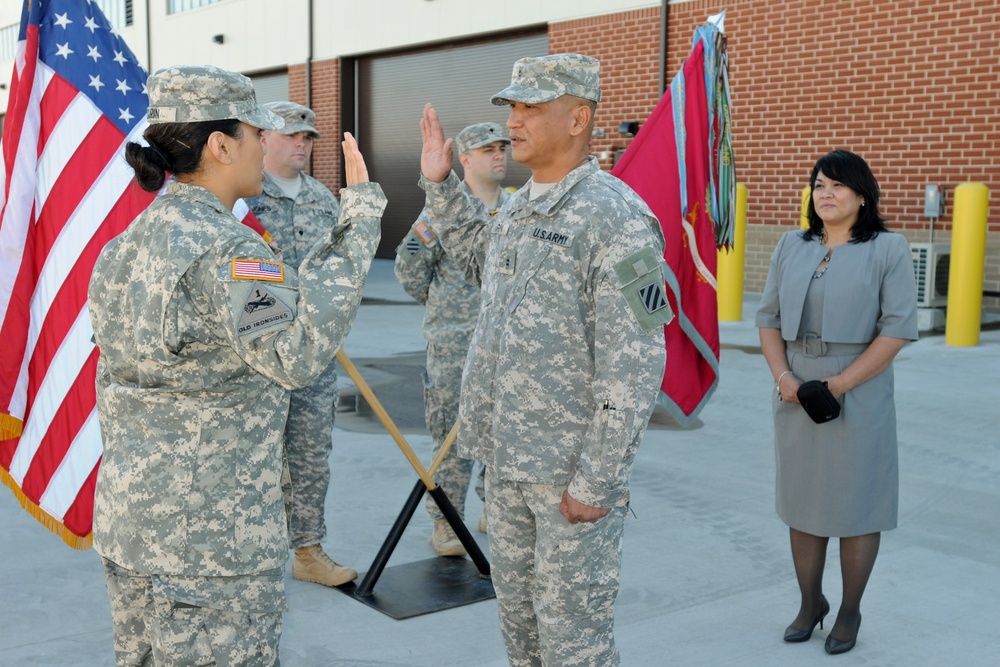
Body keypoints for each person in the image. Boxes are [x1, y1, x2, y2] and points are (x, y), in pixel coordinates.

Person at [88, 65, 384, 666]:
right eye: (255, 131)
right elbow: (295, 353)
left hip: (131, 524)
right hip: (211, 542)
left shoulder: (124, 245)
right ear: (222, 146)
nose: (263, 144)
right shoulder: (230, 248)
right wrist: (359, 226)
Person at [418, 54, 673, 666]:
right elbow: (481, 263)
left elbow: (637, 360)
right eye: (512, 106)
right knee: (521, 630)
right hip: (506, 463)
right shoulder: (518, 205)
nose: (515, 121)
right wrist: (441, 184)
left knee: (573, 640)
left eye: (533, 107)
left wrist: (598, 478)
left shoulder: (619, 218)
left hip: (566, 474)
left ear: (579, 118)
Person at [755, 149, 918, 655]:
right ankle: (811, 602)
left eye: (837, 186)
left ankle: (849, 610)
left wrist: (841, 384)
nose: (825, 194)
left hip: (860, 392)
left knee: (857, 504)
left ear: (862, 195)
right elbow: (768, 319)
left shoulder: (888, 249)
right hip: (795, 391)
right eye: (818, 185)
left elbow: (897, 330)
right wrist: (784, 377)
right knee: (804, 502)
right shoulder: (790, 244)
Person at [245, 101, 355, 587]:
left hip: (312, 355)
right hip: (257, 357)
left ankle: (308, 550)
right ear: (263, 138)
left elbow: (339, 268)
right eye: (291, 136)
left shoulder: (323, 200)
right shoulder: (244, 200)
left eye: (308, 137)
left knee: (310, 455)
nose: (301, 144)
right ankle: (250, 555)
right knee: (253, 457)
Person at [394, 122, 511, 557]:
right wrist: (445, 309)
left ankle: (493, 507)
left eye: (502, 147)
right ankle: (447, 521)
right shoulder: (437, 215)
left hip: (504, 347)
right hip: (453, 344)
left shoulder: (516, 209)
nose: (499, 155)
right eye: (486, 150)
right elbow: (409, 271)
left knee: (503, 434)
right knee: (451, 438)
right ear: (463, 159)